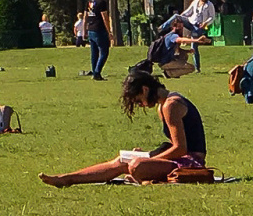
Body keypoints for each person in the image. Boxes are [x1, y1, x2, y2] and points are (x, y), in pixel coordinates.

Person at [40, 70, 206, 187]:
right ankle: (67, 178)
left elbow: (181, 148)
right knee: (122, 161)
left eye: (138, 100)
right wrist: (150, 155)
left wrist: (150, 159)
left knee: (136, 166)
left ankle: (143, 175)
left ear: (145, 89)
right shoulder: (164, 105)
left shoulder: (171, 105)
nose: (140, 104)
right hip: (178, 159)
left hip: (191, 163)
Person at [164, 0, 216, 71]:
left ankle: (197, 67)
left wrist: (205, 23)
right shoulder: (195, 2)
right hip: (191, 22)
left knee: (194, 46)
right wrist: (181, 17)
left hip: (199, 26)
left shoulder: (209, 5)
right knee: (176, 16)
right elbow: (188, 12)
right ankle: (163, 28)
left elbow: (212, 17)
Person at [85, 0, 112, 80]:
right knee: (104, 52)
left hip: (91, 29)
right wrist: (109, 32)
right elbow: (105, 17)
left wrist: (85, 29)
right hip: (99, 30)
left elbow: (85, 16)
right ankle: (97, 72)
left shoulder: (89, 1)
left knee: (94, 53)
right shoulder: (102, 2)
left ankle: (94, 72)